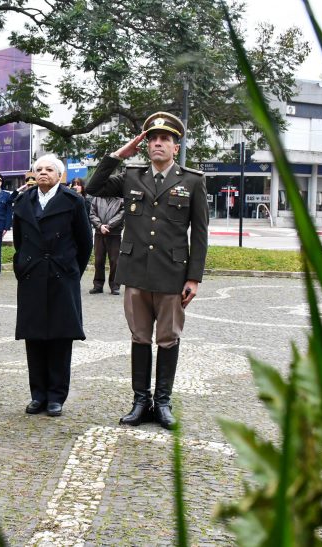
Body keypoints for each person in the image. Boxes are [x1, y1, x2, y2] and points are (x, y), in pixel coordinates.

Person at [86, 111, 208, 429]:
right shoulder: (131, 176)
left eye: (165, 139)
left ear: (175, 147)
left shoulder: (192, 181)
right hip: (136, 271)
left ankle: (163, 402)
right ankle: (140, 401)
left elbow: (200, 233)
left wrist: (194, 277)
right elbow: (93, 187)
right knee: (140, 337)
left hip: (172, 273)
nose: (158, 144)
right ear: (146, 145)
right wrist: (117, 155)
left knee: (168, 338)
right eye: (153, 139)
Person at [12, 155, 92, 417]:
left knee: (60, 337)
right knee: (33, 337)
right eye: (39, 169)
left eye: (49, 169)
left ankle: (57, 396)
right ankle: (38, 395)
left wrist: (70, 271)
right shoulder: (23, 200)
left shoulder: (73, 201)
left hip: (61, 275)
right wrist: (22, 266)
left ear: (60, 175)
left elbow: (85, 243)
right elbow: (19, 240)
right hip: (32, 274)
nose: (43, 173)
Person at [88, 194, 124, 295]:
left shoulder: (121, 199)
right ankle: (98, 285)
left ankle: (115, 286)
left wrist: (108, 226)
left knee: (115, 261)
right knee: (99, 260)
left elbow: (121, 215)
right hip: (99, 233)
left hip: (114, 233)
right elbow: (92, 214)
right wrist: (100, 226)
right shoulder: (97, 198)